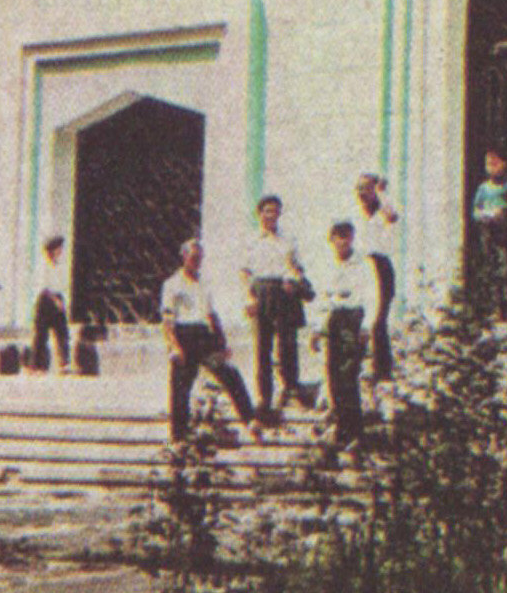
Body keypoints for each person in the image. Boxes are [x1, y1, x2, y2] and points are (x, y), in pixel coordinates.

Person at [160, 237, 257, 443]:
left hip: (203, 335)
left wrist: (222, 343)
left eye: (200, 258)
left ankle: (249, 418)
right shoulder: (172, 284)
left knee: (229, 373)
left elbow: (211, 315)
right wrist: (174, 346)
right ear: (184, 257)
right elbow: (167, 320)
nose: (197, 262)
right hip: (183, 334)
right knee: (180, 386)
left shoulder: (204, 283)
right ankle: (179, 435)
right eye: (193, 257)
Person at [241, 195, 308, 418]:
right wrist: (249, 298)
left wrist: (294, 279)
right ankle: (264, 397)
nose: (271, 215)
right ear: (259, 214)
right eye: (267, 211)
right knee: (263, 347)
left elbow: (298, 267)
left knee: (287, 345)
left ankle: (290, 390)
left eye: (275, 211)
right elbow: (245, 272)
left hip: (284, 291)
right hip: (261, 292)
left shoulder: (288, 239)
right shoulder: (251, 240)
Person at [315, 221, 378, 457]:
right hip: (333, 319)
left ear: (352, 238)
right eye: (338, 236)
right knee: (333, 375)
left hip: (353, 319)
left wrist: (366, 325)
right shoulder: (327, 264)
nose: (342, 241)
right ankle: (342, 429)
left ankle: (355, 432)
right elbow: (322, 298)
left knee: (348, 375)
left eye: (346, 236)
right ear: (331, 239)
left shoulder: (363, 264)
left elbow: (372, 297)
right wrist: (316, 328)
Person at [351, 172, 399, 382]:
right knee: (357, 316)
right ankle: (355, 366)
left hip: (380, 266)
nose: (362, 193)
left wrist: (382, 193)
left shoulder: (383, 212)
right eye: (359, 188)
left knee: (378, 320)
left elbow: (392, 216)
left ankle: (382, 369)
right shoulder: (355, 215)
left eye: (367, 188)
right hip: (360, 266)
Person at [471, 147, 507, 316]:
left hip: (506, 233)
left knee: (506, 266)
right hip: (488, 232)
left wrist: (505, 211)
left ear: (504, 164)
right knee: (489, 265)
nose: (492, 168)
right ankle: (492, 303)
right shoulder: (484, 188)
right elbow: (476, 209)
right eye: (489, 164)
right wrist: (481, 215)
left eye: (496, 163)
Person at [32, 234, 71, 373]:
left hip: (58, 298)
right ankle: (37, 365)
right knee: (41, 334)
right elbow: (44, 287)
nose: (60, 251)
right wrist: (55, 300)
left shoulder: (59, 266)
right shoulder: (43, 265)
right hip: (46, 300)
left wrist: (62, 300)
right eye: (58, 248)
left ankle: (64, 363)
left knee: (62, 333)